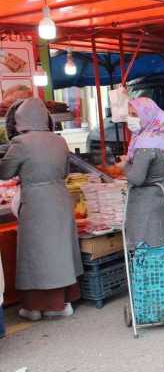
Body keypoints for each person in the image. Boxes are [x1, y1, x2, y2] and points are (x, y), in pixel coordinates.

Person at [0, 98, 83, 321]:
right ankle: (63, 302)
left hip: (36, 202)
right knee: (59, 250)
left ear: (19, 119)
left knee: (35, 254)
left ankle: (35, 307)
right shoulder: (60, 141)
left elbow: (5, 172)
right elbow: (65, 172)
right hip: (59, 198)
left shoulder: (20, 143)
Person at [117, 97, 164, 249]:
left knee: (146, 251)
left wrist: (124, 166)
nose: (131, 119)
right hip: (158, 201)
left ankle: (147, 273)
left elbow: (137, 178)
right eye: (130, 114)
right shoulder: (161, 139)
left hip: (144, 206)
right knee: (158, 247)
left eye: (135, 114)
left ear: (146, 115)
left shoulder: (145, 144)